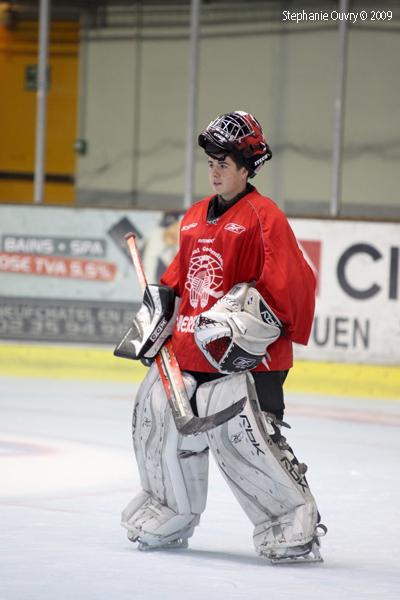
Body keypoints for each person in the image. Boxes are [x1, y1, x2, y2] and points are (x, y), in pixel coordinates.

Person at [116, 110, 326, 563]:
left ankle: (289, 521)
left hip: (246, 360)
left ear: (247, 167)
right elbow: (178, 281)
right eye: (211, 161)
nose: (214, 171)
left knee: (243, 440)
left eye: (224, 163)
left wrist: (244, 324)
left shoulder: (264, 217)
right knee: (158, 425)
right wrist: (159, 314)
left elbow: (294, 287)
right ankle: (169, 511)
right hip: (189, 352)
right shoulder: (193, 218)